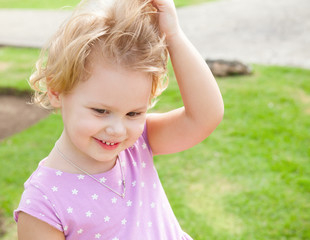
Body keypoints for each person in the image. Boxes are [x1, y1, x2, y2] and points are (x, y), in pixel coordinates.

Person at [14, 0, 224, 239]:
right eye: (100, 111)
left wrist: (173, 36)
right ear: (56, 91)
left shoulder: (139, 144)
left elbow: (205, 116)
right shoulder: (43, 204)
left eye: (133, 113)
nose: (117, 130)